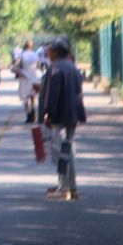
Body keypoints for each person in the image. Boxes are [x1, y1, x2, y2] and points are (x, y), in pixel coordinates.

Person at [37, 39, 86, 201]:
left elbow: (52, 95)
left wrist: (48, 114)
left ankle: (65, 188)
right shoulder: (72, 67)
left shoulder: (55, 68)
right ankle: (71, 186)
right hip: (73, 114)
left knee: (60, 151)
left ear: (57, 52)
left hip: (60, 116)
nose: (47, 53)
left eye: (50, 51)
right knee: (69, 150)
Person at [12, 38, 41, 124]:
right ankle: (33, 112)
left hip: (24, 77)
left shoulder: (22, 55)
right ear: (31, 46)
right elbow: (38, 65)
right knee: (32, 96)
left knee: (25, 97)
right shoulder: (35, 55)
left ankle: (28, 114)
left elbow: (17, 65)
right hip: (34, 77)